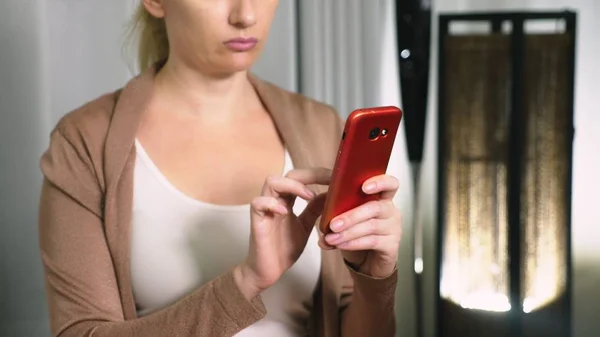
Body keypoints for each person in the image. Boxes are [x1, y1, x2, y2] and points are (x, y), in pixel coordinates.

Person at [38, 1, 403, 336]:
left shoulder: (320, 127)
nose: (245, 15)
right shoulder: (85, 143)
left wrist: (374, 278)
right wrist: (243, 283)